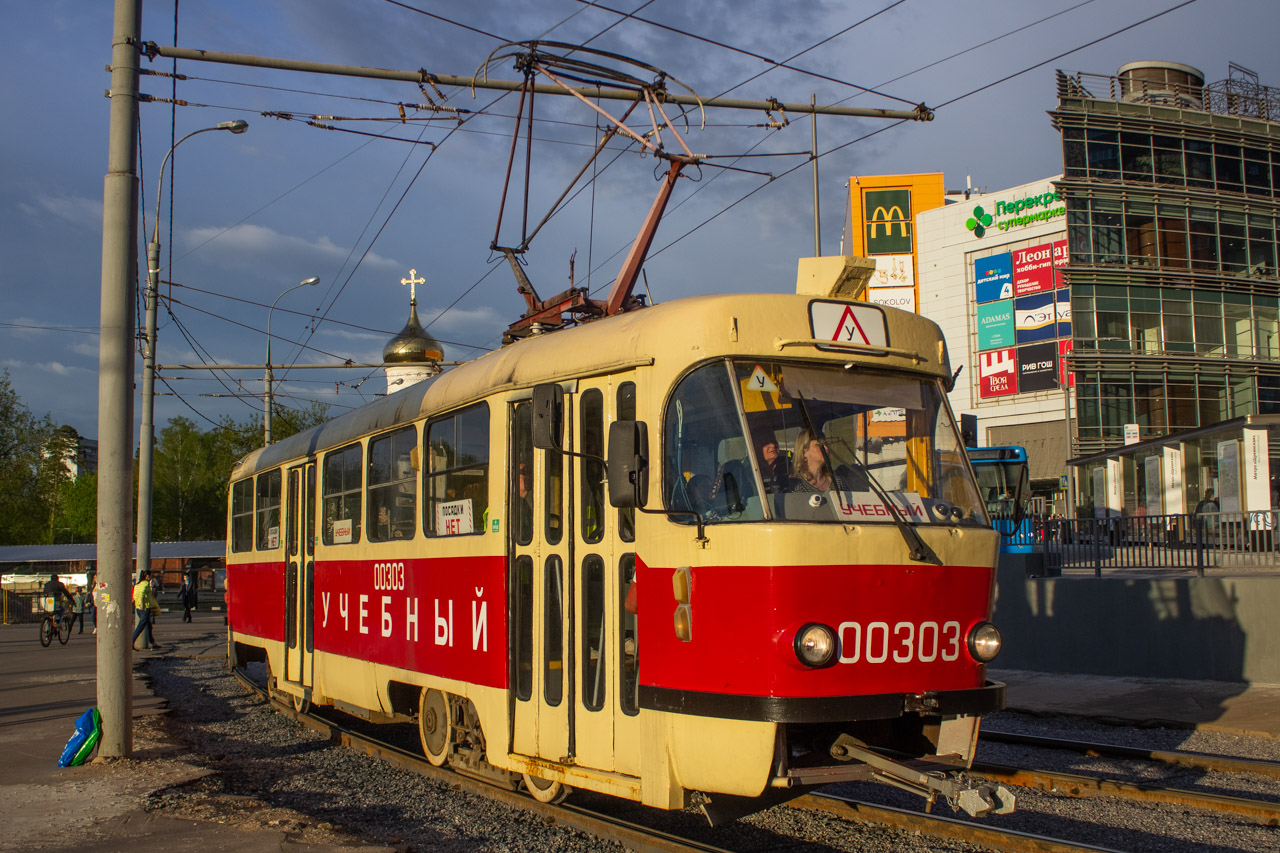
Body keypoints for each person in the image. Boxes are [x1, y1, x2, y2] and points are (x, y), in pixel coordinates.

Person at [131, 569, 162, 651]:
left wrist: (137, 604)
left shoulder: (138, 584)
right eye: (150, 575)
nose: (151, 577)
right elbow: (142, 594)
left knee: (148, 626)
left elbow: (134, 596)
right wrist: (142, 604)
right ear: (147, 576)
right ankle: (131, 642)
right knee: (140, 627)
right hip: (145, 608)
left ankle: (152, 643)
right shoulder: (145, 584)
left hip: (138, 608)